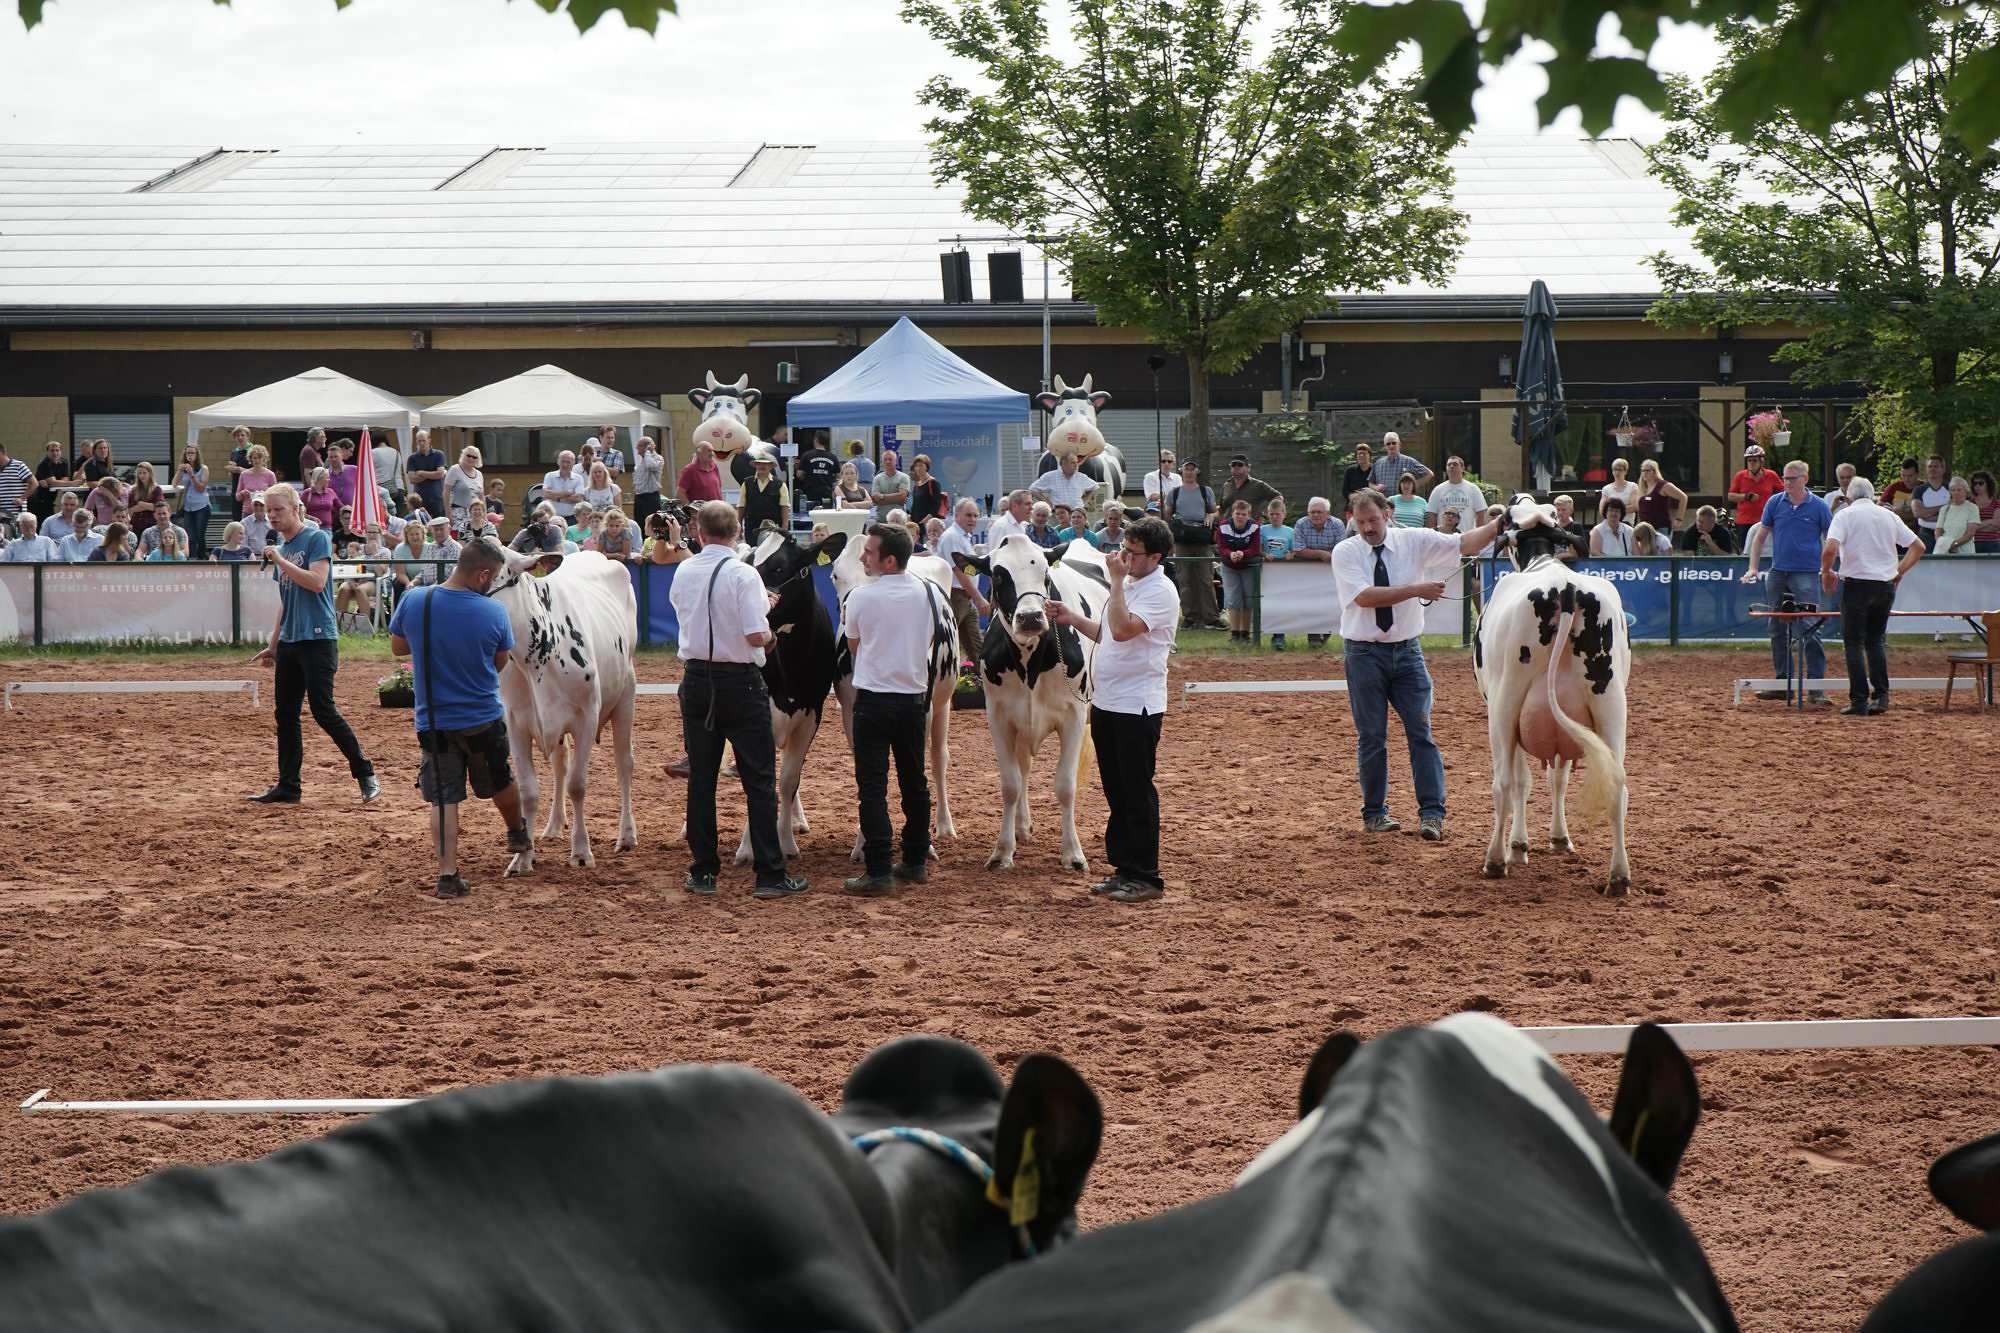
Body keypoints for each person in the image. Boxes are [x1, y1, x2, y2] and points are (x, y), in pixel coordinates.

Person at [1333, 489, 1502, 840]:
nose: (1367, 528)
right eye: (1361, 521)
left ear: (1388, 515)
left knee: (1420, 733)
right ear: (1353, 519)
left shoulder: (1415, 540)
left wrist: (1502, 523)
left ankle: (1431, 814)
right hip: (1363, 654)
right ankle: (1375, 813)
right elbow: (1363, 597)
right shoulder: (1345, 551)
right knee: (1372, 737)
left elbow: (1465, 543)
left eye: (1373, 520)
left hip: (1407, 652)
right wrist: (1416, 589)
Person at [669, 501, 807, 900]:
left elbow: (695, 612)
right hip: (740, 683)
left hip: (696, 679)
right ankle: (769, 874)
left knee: (702, 778)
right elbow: (753, 636)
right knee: (759, 781)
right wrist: (769, 625)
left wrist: (755, 604)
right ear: (737, 532)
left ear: (698, 533)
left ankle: (703, 871)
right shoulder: (744, 574)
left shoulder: (684, 569)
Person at [388, 539, 532, 897]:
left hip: (434, 720)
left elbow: (398, 647)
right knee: (500, 780)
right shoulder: (493, 612)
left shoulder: (416, 599)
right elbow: (500, 662)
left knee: (444, 799)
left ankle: (448, 874)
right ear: (483, 573)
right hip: (482, 716)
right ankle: (516, 830)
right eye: (493, 576)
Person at [1048, 515, 1179, 903]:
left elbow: (1123, 630)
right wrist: (1072, 618)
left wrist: (1117, 581)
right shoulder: (1133, 585)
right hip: (1108, 701)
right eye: (1124, 548)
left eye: (1132, 553)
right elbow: (1108, 632)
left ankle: (1146, 875)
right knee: (1116, 790)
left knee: (1136, 790)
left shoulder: (1159, 591)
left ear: (1155, 557)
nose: (1123, 557)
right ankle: (1124, 868)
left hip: (1136, 705)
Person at [246, 483, 379, 806]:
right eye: (269, 511)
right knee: (286, 714)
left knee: (323, 709)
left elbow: (317, 583)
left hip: (318, 639)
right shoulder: (283, 545)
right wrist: (273, 643)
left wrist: (280, 560)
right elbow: (285, 600)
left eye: (279, 510)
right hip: (292, 641)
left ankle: (365, 773)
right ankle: (288, 786)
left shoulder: (315, 538)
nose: (273, 516)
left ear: (296, 509)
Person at [841, 523, 942, 897]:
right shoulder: (927, 593)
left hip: (873, 700)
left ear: (889, 559)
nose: (863, 556)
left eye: (869, 551)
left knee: (872, 787)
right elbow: (932, 636)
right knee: (915, 783)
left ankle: (879, 869)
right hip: (913, 700)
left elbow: (854, 645)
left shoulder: (861, 598)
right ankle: (914, 860)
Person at [1823, 477, 1925, 716]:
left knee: (1853, 643)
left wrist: (1826, 572)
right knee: (1875, 640)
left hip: (1856, 585)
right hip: (1884, 585)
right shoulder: (1889, 516)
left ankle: (1859, 699)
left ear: (1849, 496)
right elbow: (1918, 546)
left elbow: (1829, 549)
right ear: (1873, 495)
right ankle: (1881, 696)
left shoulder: (1844, 515)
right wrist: (1898, 572)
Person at [1742, 460, 1835, 705]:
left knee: (1810, 627)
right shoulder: (1775, 503)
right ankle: (1783, 683)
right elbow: (1760, 536)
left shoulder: (1819, 507)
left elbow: (1832, 538)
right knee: (1776, 627)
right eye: (1785, 478)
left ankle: (1816, 688)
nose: (1787, 483)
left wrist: (1830, 568)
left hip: (1806, 573)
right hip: (1778, 571)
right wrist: (1753, 567)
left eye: (1792, 478)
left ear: (1805, 479)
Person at [1165, 460, 1219, 629]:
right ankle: (1190, 616)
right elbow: (1166, 516)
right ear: (1181, 472)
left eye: (1192, 469)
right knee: (1185, 579)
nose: (1189, 472)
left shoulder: (1205, 491)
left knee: (1205, 578)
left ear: (1197, 472)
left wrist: (1211, 516)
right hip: (1182, 539)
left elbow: (1215, 511)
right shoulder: (1174, 493)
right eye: (1186, 469)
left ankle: (1211, 617)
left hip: (1202, 538)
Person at [935, 498, 987, 665]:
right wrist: (978, 598)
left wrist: (979, 571)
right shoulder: (952, 537)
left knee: (976, 647)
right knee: (943, 644)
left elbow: (967, 571)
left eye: (975, 516)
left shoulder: (962, 537)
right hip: (955, 596)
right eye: (968, 515)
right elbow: (959, 571)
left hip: (964, 598)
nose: (973, 519)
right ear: (956, 515)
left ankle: (981, 683)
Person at [1289, 496, 1344, 647]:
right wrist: (1321, 554)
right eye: (1312, 512)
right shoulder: (1301, 524)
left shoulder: (1337, 524)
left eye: (1319, 512)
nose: (1315, 515)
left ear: (1327, 513)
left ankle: (1326, 631)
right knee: (1310, 602)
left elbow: (1341, 549)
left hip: (1331, 569)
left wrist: (1315, 552)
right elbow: (1298, 549)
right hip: (1308, 569)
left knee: (1329, 601)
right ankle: (1313, 637)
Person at [1260, 496, 1294, 650]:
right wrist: (1264, 554)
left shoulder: (1290, 531)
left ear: (1284, 514)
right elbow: (1258, 548)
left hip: (1283, 573)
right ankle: (1263, 633)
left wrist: (1291, 554)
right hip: (1267, 571)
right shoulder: (1263, 530)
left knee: (1281, 604)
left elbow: (1295, 549)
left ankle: (1279, 636)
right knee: (1268, 604)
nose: (1274, 517)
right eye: (1271, 514)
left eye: (1277, 514)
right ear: (1268, 514)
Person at [171, 444, 212, 561]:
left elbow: (201, 488)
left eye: (192, 453)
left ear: (197, 455)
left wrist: (192, 475)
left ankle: (202, 557)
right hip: (188, 507)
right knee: (190, 535)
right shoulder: (184, 469)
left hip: (202, 506)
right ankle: (193, 558)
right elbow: (174, 483)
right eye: (187, 453)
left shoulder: (203, 469)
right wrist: (179, 471)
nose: (189, 456)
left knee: (200, 535)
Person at [1728, 444, 1782, 531]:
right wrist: (1746, 496)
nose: (1751, 463)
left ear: (1761, 461)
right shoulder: (1740, 476)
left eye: (1754, 460)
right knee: (1745, 545)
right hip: (1744, 522)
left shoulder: (1771, 475)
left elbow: (1783, 493)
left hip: (1766, 520)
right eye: (1749, 461)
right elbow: (1730, 496)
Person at [738, 454, 790, 538]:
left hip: (773, 526)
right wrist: (739, 525)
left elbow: (784, 507)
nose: (762, 466)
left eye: (765, 464)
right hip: (752, 526)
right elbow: (741, 506)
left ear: (771, 466)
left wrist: (784, 527)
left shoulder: (780, 484)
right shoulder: (747, 483)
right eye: (759, 463)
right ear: (755, 465)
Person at [1031, 451, 1100, 515]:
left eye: (1077, 462)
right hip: (1058, 515)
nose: (1076, 466)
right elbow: (1033, 489)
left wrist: (1084, 500)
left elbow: (1095, 487)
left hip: (1076, 514)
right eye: (1073, 463)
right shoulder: (1050, 476)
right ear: (1063, 464)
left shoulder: (1081, 477)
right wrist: (1048, 503)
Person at [1217, 454, 1278, 524]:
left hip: (1251, 529)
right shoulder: (1226, 485)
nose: (1236, 467)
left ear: (1248, 468)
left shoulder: (1258, 485)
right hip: (1229, 529)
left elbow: (1278, 497)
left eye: (1240, 464)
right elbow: (1221, 509)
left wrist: (1267, 510)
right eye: (1233, 465)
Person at [1913, 454, 1951, 553]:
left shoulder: (1951, 488)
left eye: (1936, 466)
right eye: (1930, 466)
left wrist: (1928, 516)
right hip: (1925, 534)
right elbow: (1918, 513)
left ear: (1943, 469)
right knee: (1927, 565)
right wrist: (1943, 508)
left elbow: (1954, 514)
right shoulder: (1919, 490)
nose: (1932, 469)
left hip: (1947, 533)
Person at [405, 429, 448, 519]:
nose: (421, 443)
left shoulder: (438, 455)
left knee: (439, 523)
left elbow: (440, 474)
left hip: (437, 498)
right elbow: (412, 479)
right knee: (422, 525)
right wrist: (433, 474)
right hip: (420, 500)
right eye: (419, 441)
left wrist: (421, 473)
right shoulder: (412, 458)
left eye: (423, 440)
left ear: (429, 440)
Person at [795, 430, 840, 513]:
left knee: (810, 517)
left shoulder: (807, 455)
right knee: (826, 516)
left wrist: (806, 477)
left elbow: (799, 474)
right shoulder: (833, 457)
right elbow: (838, 476)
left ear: (816, 440)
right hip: (827, 493)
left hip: (810, 493)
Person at [444, 446, 484, 530]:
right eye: (468, 455)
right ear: (463, 455)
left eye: (474, 457)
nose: (471, 458)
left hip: (475, 514)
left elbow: (481, 497)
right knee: (461, 539)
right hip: (458, 513)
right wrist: (448, 513)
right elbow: (446, 492)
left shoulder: (479, 474)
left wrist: (484, 515)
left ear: (478, 459)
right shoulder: (454, 469)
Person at [1938, 476, 1981, 554]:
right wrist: (1941, 544)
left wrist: (1953, 545)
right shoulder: (1944, 509)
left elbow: (1970, 534)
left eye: (1959, 490)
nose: (1956, 492)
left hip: (1965, 553)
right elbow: (1938, 530)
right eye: (1953, 490)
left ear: (1966, 491)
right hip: (1944, 552)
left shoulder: (1972, 508)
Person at [631, 435, 666, 525]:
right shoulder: (641, 461)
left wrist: (648, 452)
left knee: (652, 524)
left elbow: (650, 466)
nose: (636, 448)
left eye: (639, 445)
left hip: (650, 498)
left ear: (646, 447)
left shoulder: (658, 459)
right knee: (640, 524)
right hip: (639, 498)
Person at [29, 441, 67, 522]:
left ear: (61, 451)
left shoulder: (64, 462)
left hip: (50, 500)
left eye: (57, 450)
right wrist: (73, 483)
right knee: (42, 524)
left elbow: (65, 479)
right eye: (52, 450)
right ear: (47, 452)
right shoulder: (44, 464)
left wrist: (56, 482)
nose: (55, 453)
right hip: (37, 501)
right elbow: (54, 482)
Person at [126, 461, 166, 540]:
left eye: (144, 473)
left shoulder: (156, 489)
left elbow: (158, 507)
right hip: (137, 525)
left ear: (150, 473)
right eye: (140, 473)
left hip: (152, 525)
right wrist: (148, 506)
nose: (142, 475)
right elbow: (130, 509)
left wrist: (140, 503)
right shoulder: (133, 490)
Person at [869, 448, 911, 523]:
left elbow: (902, 497)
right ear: (882, 462)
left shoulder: (904, 477)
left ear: (896, 461)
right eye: (885, 459)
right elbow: (875, 499)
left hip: (898, 521)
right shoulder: (877, 478)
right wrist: (896, 499)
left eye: (890, 459)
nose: (888, 461)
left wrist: (882, 497)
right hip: (881, 520)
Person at [0, 443, 35, 530]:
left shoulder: (18, 465)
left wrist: (22, 498)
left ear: (1, 453)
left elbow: (34, 483)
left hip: (16, 514)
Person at [677, 441, 724, 505]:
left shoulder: (714, 467)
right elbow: (680, 493)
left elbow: (718, 490)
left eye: (712, 451)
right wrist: (690, 510)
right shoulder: (690, 469)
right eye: (709, 451)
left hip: (716, 511)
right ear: (699, 453)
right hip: (700, 513)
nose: (712, 453)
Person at [907, 453, 948, 523]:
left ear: (926, 467)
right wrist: (911, 518)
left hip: (928, 523)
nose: (918, 468)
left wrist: (927, 519)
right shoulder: (916, 485)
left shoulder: (933, 483)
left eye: (921, 465)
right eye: (916, 466)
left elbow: (936, 504)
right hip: (916, 523)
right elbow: (915, 505)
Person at [235, 445, 277, 513]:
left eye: (259, 457)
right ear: (251, 459)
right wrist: (242, 493)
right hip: (247, 512)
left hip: (264, 512)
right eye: (254, 458)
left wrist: (265, 494)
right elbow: (237, 497)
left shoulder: (270, 475)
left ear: (264, 459)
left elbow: (275, 496)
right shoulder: (244, 474)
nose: (257, 460)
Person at [1881, 457, 1921, 523]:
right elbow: (1880, 505)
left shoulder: (1924, 488)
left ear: (1917, 474)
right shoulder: (1894, 487)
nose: (1906, 479)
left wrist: (1903, 514)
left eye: (1910, 476)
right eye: (1903, 475)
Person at [1972, 471, 2000, 553]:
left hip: (1994, 543)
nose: (1977, 486)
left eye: (1980, 483)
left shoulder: (1997, 503)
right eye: (1975, 483)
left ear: (1988, 484)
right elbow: (1966, 526)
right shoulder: (1969, 503)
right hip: (1973, 543)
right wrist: (1990, 522)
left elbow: (1997, 524)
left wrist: (1975, 526)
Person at [1341, 442, 1373, 511]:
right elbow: (1345, 491)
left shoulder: (1375, 470)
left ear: (1369, 455)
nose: (1361, 455)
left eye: (1364, 453)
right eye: (1359, 454)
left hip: (1371, 507)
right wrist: (1351, 496)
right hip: (1352, 507)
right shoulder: (1350, 470)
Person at [325, 445, 358, 511]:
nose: (333, 459)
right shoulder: (325, 474)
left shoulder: (354, 469)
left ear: (341, 456)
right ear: (328, 459)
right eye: (331, 457)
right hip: (334, 512)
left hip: (353, 511)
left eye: (336, 456)